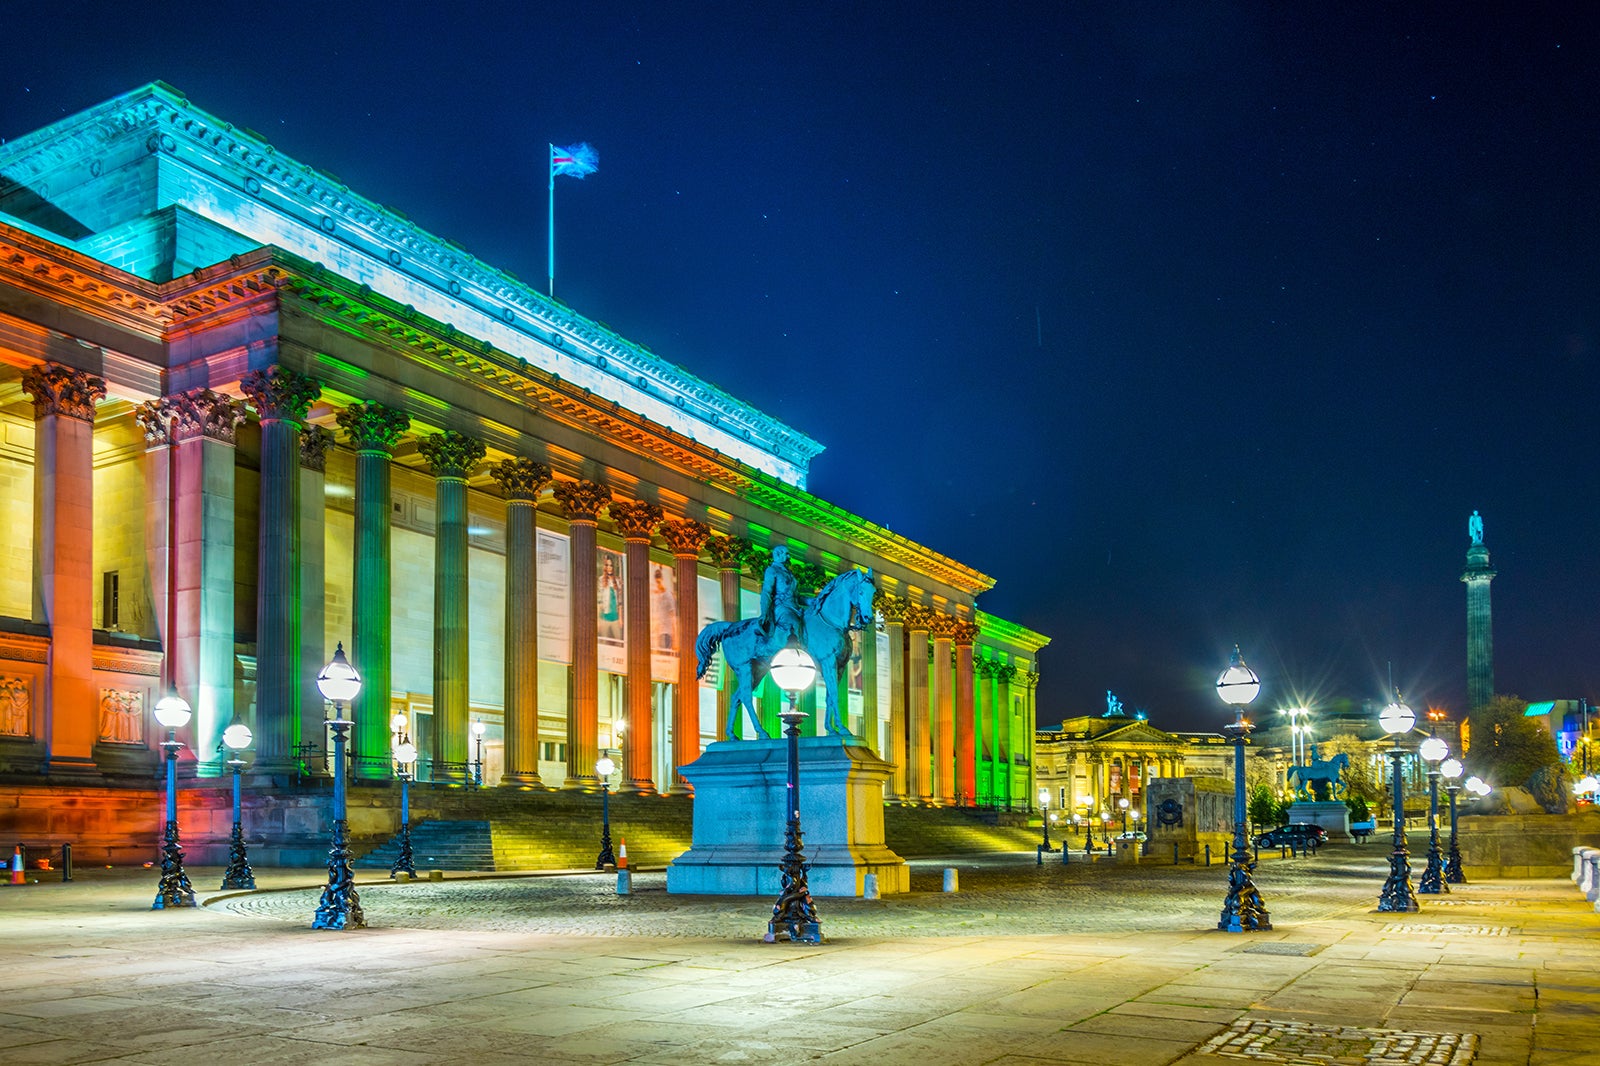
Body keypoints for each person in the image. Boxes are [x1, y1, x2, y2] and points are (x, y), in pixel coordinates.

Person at [759, 545, 802, 645]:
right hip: (782, 607)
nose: (789, 557)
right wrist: (764, 612)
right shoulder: (772, 570)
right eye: (786, 554)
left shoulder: (790, 574)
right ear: (778, 554)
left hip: (795, 608)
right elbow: (766, 592)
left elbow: (797, 597)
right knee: (793, 623)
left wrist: (814, 600)